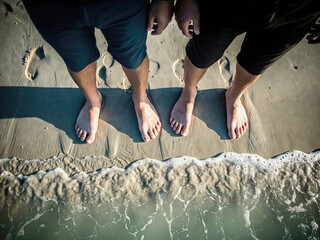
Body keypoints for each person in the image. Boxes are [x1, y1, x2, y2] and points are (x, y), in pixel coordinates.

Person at [22, 0, 173, 143]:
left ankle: (140, 98)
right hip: (52, 5)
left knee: (133, 55)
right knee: (77, 59)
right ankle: (93, 101)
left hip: (123, 3)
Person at [170, 0, 320, 139]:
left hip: (300, 11)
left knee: (257, 62)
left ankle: (234, 96)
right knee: (203, 52)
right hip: (230, 3)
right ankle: (188, 92)